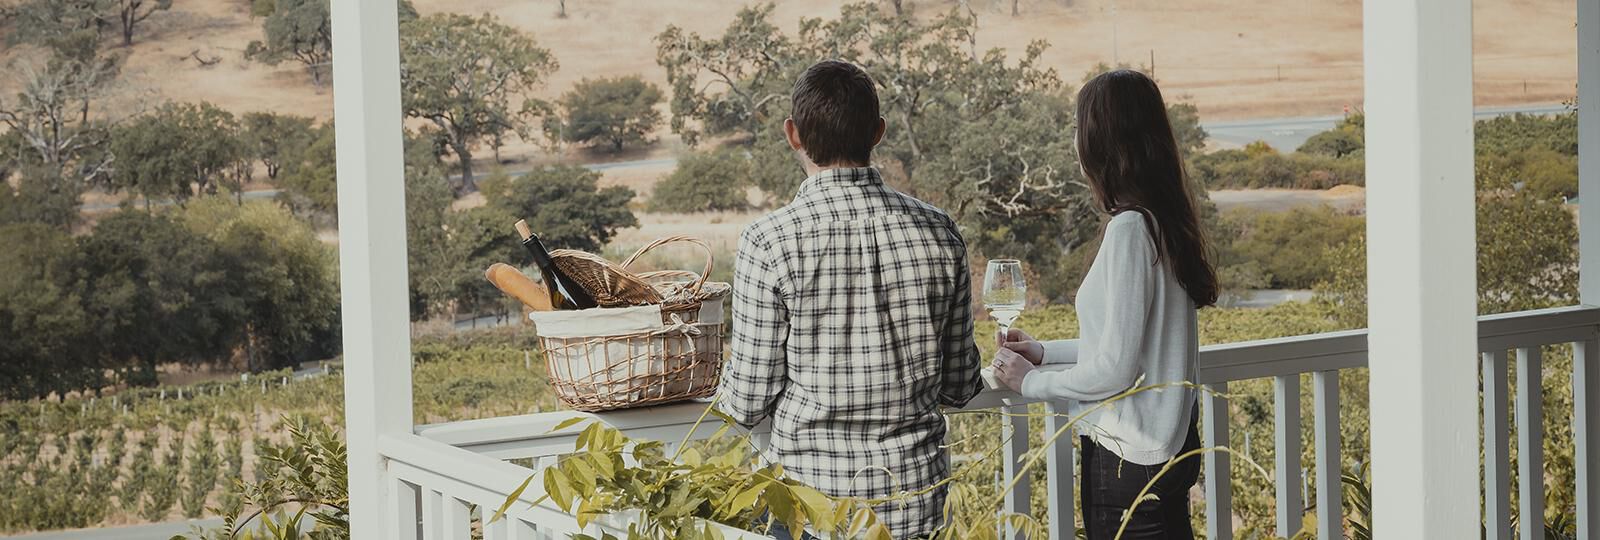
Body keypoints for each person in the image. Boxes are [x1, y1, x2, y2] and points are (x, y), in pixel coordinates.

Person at [717, 60, 984, 539]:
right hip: (915, 503)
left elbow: (747, 400)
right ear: (878, 132)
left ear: (792, 135)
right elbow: (961, 384)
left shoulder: (769, 241)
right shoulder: (939, 231)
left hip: (810, 507)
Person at [990, 69, 1218, 539]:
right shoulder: (1163, 222)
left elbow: (1115, 369)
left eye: (1079, 128)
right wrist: (1045, 352)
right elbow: (1125, 340)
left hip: (1127, 458)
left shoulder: (1131, 230)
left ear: (1100, 142)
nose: (1075, 141)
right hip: (1169, 449)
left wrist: (1032, 383)